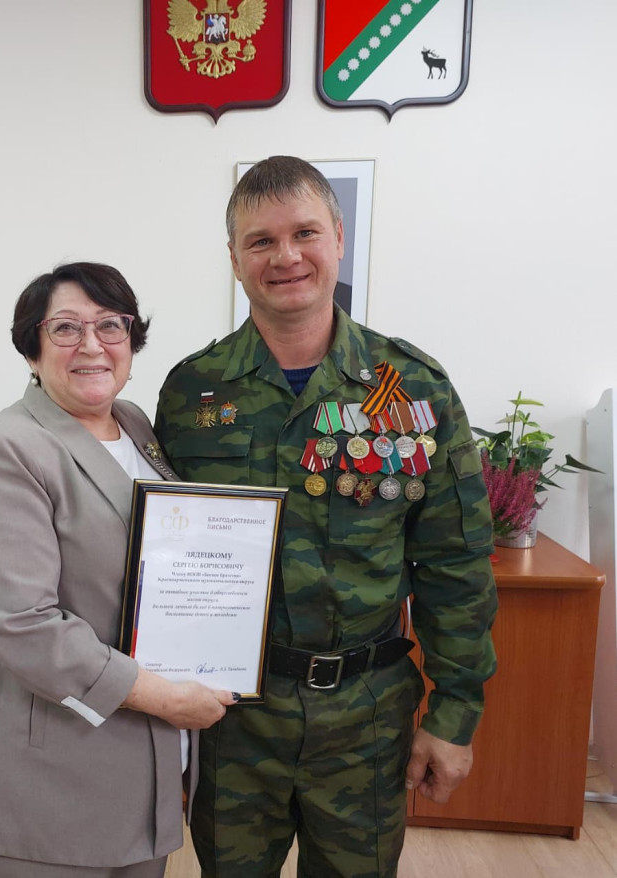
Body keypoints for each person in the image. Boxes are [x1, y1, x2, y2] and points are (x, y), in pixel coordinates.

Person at [154, 157, 498, 878]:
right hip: (232, 716)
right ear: (233, 258)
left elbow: (454, 563)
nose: (285, 257)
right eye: (260, 241)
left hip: (365, 719)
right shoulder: (192, 392)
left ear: (338, 238)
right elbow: (166, 557)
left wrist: (454, 714)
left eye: (304, 232)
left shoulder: (413, 387)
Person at [0, 262, 236, 878]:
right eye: (66, 328)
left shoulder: (135, 426)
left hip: (143, 770)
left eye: (110, 325)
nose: (92, 345)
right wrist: (167, 698)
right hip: (46, 782)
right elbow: (25, 625)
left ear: (131, 339)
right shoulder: (3, 450)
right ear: (32, 349)